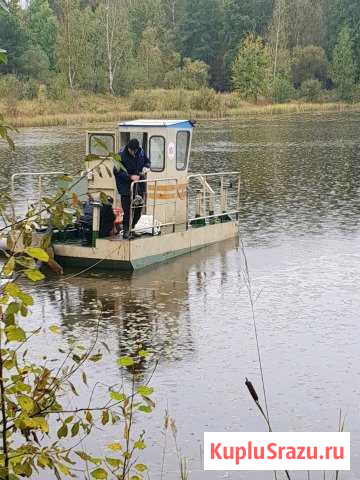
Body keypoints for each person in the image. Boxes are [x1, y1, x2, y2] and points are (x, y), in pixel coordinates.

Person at [113, 138, 151, 239]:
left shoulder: (141, 152)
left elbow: (147, 162)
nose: (133, 152)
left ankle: (132, 228)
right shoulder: (121, 155)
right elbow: (116, 171)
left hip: (138, 186)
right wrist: (130, 177)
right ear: (128, 148)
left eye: (135, 150)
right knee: (128, 210)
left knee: (138, 209)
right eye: (132, 150)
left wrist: (145, 167)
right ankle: (126, 231)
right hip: (125, 187)